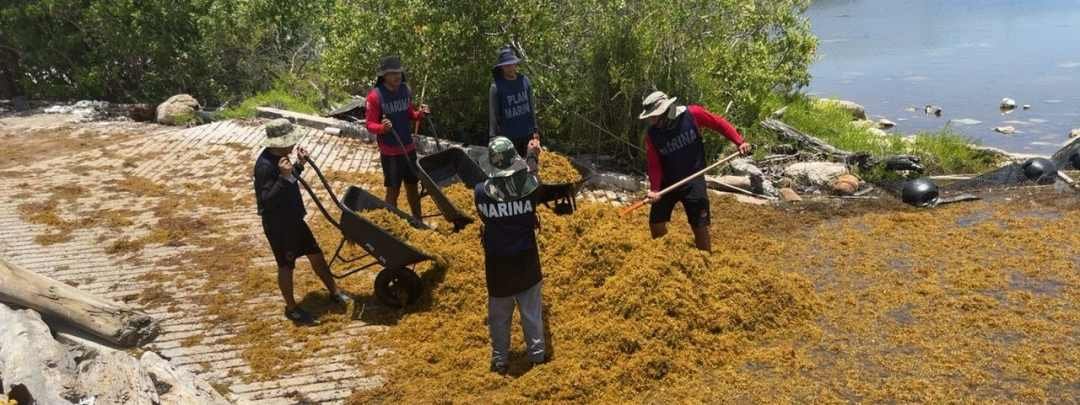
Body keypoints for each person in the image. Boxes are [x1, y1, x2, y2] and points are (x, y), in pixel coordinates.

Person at [253, 119, 351, 325]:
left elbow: (290, 179)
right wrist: (283, 177)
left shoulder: (282, 158)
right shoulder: (264, 166)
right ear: (278, 143)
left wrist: (299, 164)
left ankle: (334, 291)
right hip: (279, 226)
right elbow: (267, 201)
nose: (292, 144)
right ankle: (291, 308)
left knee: (315, 253)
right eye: (289, 141)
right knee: (286, 265)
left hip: (294, 220)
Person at [639, 91, 752, 251]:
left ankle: (705, 260)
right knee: (656, 223)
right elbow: (654, 164)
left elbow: (718, 123)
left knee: (699, 225)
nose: (652, 120)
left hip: (694, 178)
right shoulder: (652, 134)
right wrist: (655, 189)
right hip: (667, 182)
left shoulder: (692, 114)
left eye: (654, 116)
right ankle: (664, 255)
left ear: (666, 111)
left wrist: (739, 142)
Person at [473, 136, 547, 375]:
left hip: (497, 263)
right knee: (531, 312)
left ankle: (500, 360)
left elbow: (488, 218)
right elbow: (532, 176)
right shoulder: (530, 188)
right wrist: (533, 155)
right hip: (526, 259)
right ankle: (537, 357)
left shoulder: (480, 193)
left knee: (499, 316)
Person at [365, 55, 430, 219]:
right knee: (393, 190)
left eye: (399, 73)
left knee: (413, 187)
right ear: (384, 76)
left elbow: (410, 114)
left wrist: (420, 114)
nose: (397, 76)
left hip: (409, 149)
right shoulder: (375, 96)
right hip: (391, 153)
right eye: (393, 73)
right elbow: (369, 125)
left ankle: (418, 220)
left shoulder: (404, 90)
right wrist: (382, 128)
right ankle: (391, 224)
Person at [489, 46, 541, 160]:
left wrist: (535, 130)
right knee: (515, 168)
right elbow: (494, 115)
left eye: (512, 64)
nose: (510, 67)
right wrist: (493, 138)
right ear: (501, 67)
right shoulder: (496, 87)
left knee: (532, 165)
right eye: (507, 65)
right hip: (509, 137)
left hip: (527, 133)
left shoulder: (524, 80)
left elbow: (531, 107)